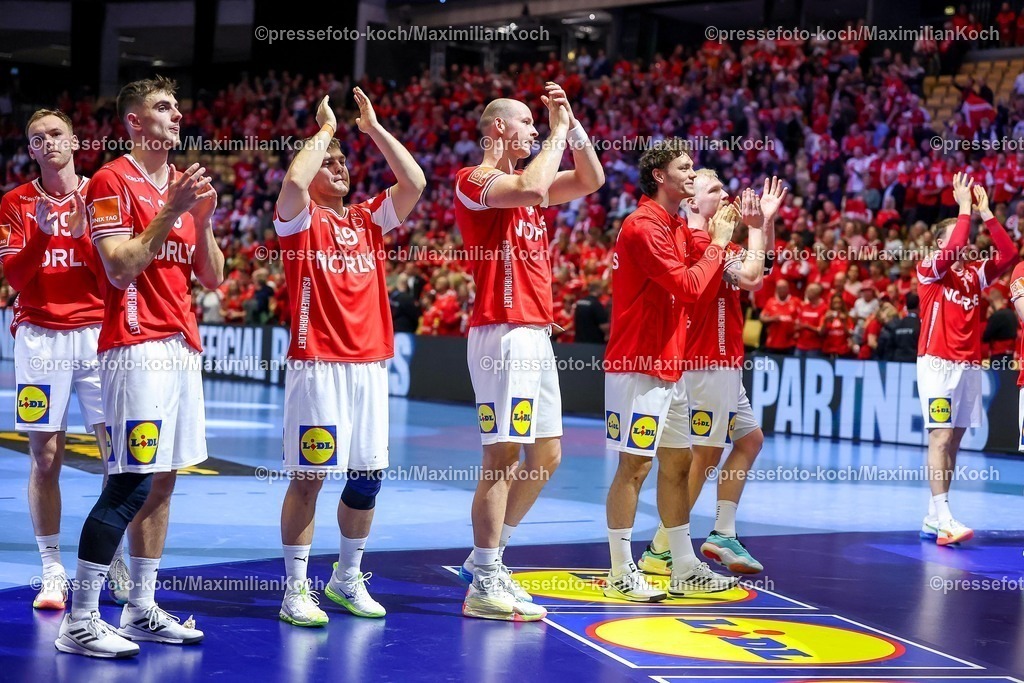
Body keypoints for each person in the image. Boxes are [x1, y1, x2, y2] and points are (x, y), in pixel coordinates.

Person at [58, 75, 224, 658]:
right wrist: (170, 211)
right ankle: (78, 619)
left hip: (181, 343)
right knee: (129, 482)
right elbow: (119, 267)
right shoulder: (110, 179)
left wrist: (199, 219)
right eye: (161, 106)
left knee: (164, 480)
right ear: (133, 121)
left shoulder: (181, 184)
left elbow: (214, 277)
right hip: (134, 345)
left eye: (177, 104)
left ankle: (140, 607)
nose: (175, 114)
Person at [453, 83, 604, 620]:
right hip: (503, 331)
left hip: (536, 332)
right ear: (498, 129)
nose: (536, 129)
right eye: (527, 122)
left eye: (538, 124)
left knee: (547, 455)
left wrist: (572, 123)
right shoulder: (475, 179)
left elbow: (591, 179)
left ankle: (482, 559)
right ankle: (485, 581)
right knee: (502, 455)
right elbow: (534, 189)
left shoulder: (527, 179)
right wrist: (557, 132)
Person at [274, 91, 424, 625]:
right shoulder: (298, 221)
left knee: (367, 478)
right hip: (318, 362)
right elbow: (294, 182)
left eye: (344, 162)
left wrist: (374, 129)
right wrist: (323, 133)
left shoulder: (367, 220)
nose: (341, 168)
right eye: (330, 163)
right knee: (310, 477)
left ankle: (345, 578)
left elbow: (415, 184)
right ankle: (295, 589)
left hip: (368, 364)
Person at [0, 108, 128, 612]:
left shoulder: (102, 193)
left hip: (99, 333)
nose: (48, 143)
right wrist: (45, 232)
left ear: (75, 142)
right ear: (30, 150)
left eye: (56, 134)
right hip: (39, 338)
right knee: (45, 457)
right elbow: (16, 278)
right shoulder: (15, 202)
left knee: (116, 455)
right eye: (37, 139)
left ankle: (109, 555)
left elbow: (113, 277)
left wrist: (80, 234)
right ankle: (52, 567)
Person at [603, 141, 741, 602]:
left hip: (670, 365)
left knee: (679, 464)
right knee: (634, 466)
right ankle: (621, 569)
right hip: (639, 363)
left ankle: (683, 565)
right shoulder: (643, 226)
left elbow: (705, 287)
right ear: (660, 176)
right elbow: (687, 287)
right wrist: (719, 244)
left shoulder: (675, 226)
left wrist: (736, 237)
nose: (691, 172)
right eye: (683, 167)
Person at [638, 172, 785, 580]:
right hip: (705, 361)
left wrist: (765, 224)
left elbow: (760, 267)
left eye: (724, 188)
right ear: (690, 203)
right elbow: (752, 278)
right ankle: (663, 549)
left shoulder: (718, 241)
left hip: (722, 361)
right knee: (703, 456)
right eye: (714, 191)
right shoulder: (699, 242)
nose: (726, 195)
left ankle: (722, 531)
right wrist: (757, 229)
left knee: (749, 441)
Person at [916, 174, 1017, 546]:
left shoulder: (973, 276)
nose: (967, 245)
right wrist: (962, 208)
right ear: (941, 244)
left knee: (954, 442)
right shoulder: (929, 270)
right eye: (960, 239)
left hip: (969, 365)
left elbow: (1008, 255)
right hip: (937, 365)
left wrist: (987, 213)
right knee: (940, 437)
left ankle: (933, 515)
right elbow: (954, 244)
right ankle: (944, 518)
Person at [760, 280, 799, 354]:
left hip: (790, 343)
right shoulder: (771, 301)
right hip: (773, 342)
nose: (782, 290)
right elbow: (762, 317)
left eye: (784, 288)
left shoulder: (796, 301)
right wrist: (771, 319)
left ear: (788, 289)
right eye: (779, 288)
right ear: (776, 289)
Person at [982, 289, 1016, 367]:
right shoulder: (1012, 314)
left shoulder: (996, 316)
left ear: (992, 302)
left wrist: (989, 318)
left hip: (998, 355)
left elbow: (985, 336)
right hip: (1010, 354)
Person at [884, 292, 921, 362]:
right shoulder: (920, 326)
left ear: (906, 307)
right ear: (919, 306)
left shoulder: (897, 325)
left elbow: (889, 347)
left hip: (897, 362)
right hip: (914, 363)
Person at [794, 283, 827, 358]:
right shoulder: (804, 307)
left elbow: (821, 330)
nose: (806, 293)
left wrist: (808, 327)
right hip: (800, 346)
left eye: (808, 291)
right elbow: (797, 324)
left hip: (814, 347)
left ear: (816, 293)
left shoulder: (824, 308)